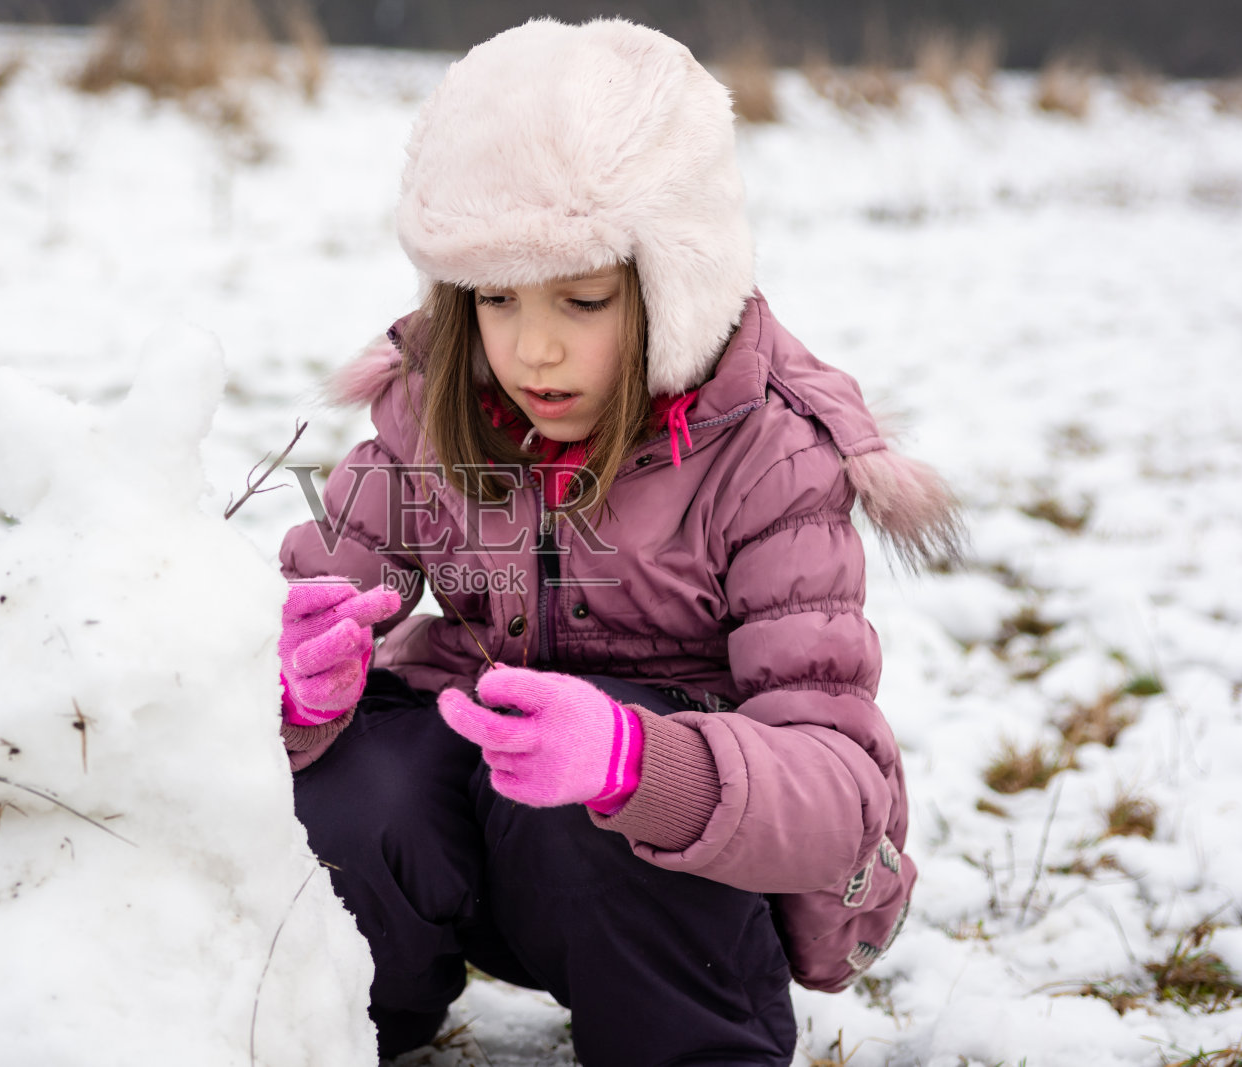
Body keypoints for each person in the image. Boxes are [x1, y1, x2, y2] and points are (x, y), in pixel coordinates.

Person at [276, 18, 960, 1066]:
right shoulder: (435, 406)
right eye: (495, 299)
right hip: (481, 838)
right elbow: (298, 619)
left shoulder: (767, 459)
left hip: (672, 887)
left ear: (669, 283)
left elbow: (840, 794)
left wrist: (638, 764)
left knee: (583, 809)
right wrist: (297, 689)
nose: (532, 348)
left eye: (582, 299)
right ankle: (345, 1022)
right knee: (357, 779)